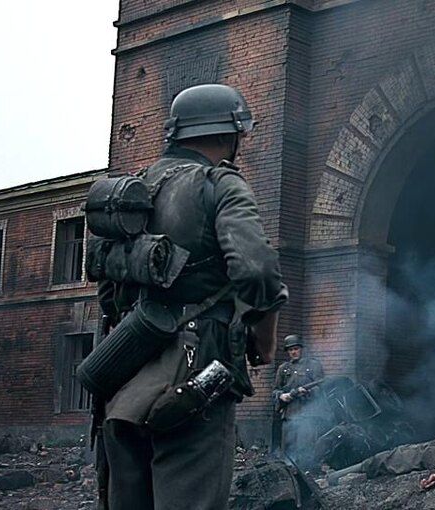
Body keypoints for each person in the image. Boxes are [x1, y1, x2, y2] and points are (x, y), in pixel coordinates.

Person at [96, 83, 287, 509]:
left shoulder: (133, 188)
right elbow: (258, 271)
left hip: (121, 379)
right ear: (228, 135)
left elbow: (108, 292)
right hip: (194, 382)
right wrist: (265, 339)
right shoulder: (219, 184)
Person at [273, 334, 326, 468]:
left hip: (308, 414)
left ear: (302, 349)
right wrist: (282, 396)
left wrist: (307, 392)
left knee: (305, 447)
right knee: (287, 447)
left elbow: (321, 387)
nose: (293, 352)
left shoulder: (313, 365)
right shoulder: (284, 368)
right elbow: (275, 390)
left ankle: (307, 473)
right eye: (290, 350)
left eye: (296, 349)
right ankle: (289, 473)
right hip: (290, 413)